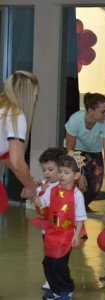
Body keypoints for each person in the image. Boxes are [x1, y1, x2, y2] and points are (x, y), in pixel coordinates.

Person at [31, 154, 87, 300]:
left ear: (76, 175)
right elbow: (42, 203)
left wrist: (77, 236)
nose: (61, 175)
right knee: (48, 263)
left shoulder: (77, 195)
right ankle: (55, 289)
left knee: (59, 264)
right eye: (60, 171)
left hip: (66, 235)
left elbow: (80, 219)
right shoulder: (52, 189)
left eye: (66, 172)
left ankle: (67, 288)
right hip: (51, 233)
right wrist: (32, 196)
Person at [64, 92, 105, 212]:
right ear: (91, 111)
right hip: (75, 151)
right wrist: (79, 173)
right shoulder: (76, 119)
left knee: (96, 186)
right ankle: (73, 207)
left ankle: (81, 206)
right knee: (77, 180)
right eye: (103, 112)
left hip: (94, 152)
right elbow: (70, 149)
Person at [0, 70, 39, 211]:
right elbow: (16, 163)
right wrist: (31, 187)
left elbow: (10, 159)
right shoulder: (16, 114)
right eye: (35, 95)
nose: (35, 99)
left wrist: (29, 180)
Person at [33, 147, 67, 292]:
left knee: (58, 259)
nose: (46, 173)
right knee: (49, 256)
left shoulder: (64, 186)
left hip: (62, 229)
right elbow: (41, 205)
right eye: (44, 170)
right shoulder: (47, 185)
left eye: (50, 169)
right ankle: (52, 279)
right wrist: (35, 190)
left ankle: (61, 284)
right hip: (47, 228)